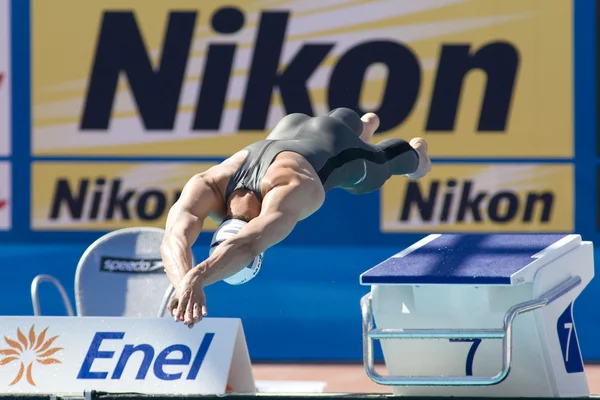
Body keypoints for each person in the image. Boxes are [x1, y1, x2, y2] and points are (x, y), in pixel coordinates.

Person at [160, 108, 432, 328]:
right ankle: (362, 127)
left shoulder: (286, 193)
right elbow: (173, 239)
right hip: (288, 127)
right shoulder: (210, 183)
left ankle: (418, 156)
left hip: (336, 147)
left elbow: (241, 245)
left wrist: (195, 278)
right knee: (340, 123)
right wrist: (185, 283)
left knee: (381, 165)